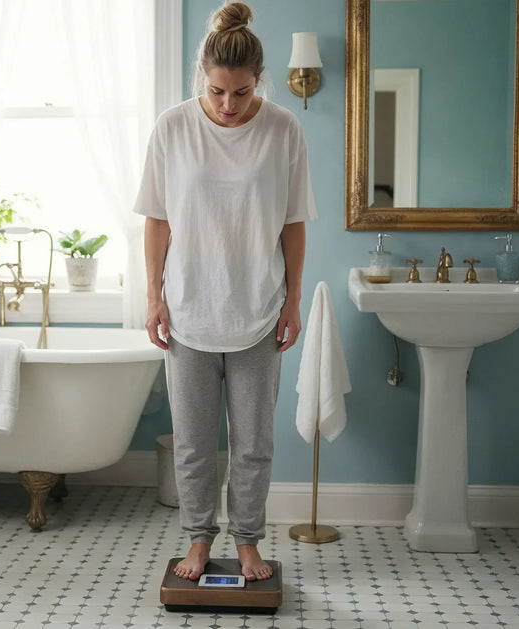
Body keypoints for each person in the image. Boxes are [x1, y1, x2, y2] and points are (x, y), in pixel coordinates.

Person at [133, 1, 316, 582]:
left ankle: (247, 544)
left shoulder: (283, 129)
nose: (228, 105)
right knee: (192, 443)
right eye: (216, 92)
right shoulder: (172, 127)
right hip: (189, 310)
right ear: (202, 78)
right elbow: (157, 220)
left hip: (258, 310)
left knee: (253, 443)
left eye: (241, 92)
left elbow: (292, 223)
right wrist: (153, 297)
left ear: (258, 80)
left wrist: (292, 301)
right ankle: (197, 540)